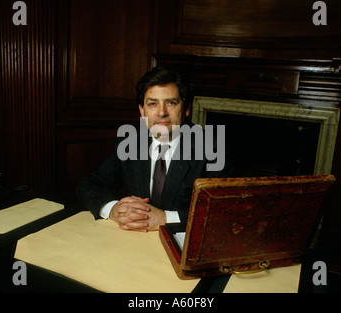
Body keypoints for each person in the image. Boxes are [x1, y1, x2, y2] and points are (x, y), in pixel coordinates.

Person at [76, 66, 231, 232]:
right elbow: (89, 184)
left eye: (171, 103)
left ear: (186, 109)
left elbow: (222, 211)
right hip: (135, 238)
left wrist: (164, 218)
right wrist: (113, 209)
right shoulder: (130, 143)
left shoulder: (213, 148)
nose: (162, 112)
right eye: (152, 104)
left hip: (181, 244)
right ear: (142, 111)